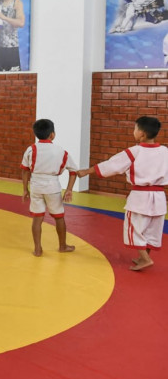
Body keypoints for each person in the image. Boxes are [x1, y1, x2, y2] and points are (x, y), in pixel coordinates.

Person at [78, 116, 168, 271]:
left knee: (134, 228)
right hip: (159, 198)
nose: (134, 132)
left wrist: (87, 171)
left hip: (140, 198)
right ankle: (143, 257)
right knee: (152, 229)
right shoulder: (165, 151)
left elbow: (112, 165)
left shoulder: (135, 151)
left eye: (135, 129)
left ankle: (145, 259)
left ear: (142, 134)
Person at [21, 119, 78, 257]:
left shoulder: (31, 149)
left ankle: (38, 249)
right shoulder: (60, 151)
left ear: (36, 134)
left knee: (37, 218)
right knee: (59, 217)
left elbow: (25, 170)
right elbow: (73, 171)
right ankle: (62, 246)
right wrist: (69, 190)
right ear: (52, 134)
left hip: (36, 186)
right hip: (52, 187)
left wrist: (25, 189)